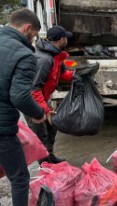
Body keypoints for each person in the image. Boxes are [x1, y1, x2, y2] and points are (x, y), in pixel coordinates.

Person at [0, 9, 46, 206]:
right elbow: (19, 97)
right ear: (27, 28)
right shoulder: (24, 55)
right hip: (2, 129)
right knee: (19, 179)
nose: (33, 40)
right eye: (34, 35)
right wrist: (38, 113)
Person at [25, 25, 74, 164]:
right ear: (61, 40)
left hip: (41, 98)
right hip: (31, 100)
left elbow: (62, 74)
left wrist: (77, 76)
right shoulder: (45, 59)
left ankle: (49, 157)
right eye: (66, 38)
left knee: (53, 126)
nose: (67, 41)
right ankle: (46, 169)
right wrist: (45, 110)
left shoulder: (56, 55)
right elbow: (33, 89)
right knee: (41, 134)